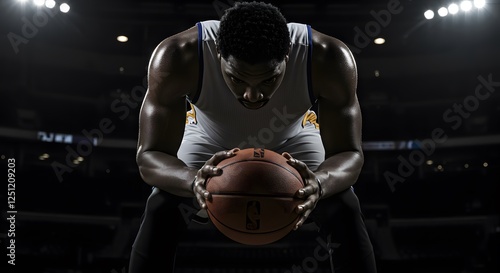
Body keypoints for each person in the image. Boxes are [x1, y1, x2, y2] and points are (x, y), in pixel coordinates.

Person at [129, 2, 376, 272]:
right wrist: (192, 181)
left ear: (288, 55)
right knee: (162, 205)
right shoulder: (179, 55)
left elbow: (351, 154)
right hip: (209, 141)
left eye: (268, 80)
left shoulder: (328, 57)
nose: (252, 95)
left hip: (292, 141)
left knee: (344, 206)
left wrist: (320, 182)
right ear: (218, 53)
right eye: (237, 79)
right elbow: (148, 157)